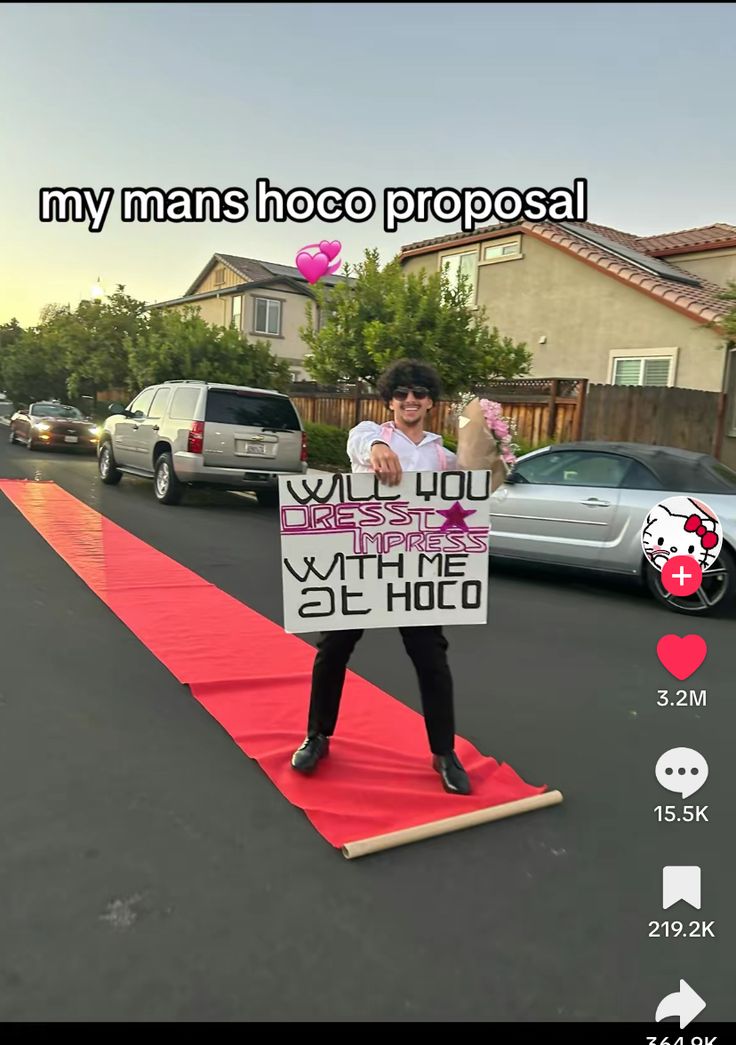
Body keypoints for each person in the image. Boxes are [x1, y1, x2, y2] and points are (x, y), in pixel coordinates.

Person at [290, 358, 472, 795]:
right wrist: (376, 448)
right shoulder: (368, 434)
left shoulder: (442, 455)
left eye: (419, 393)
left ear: (431, 401)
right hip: (362, 562)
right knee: (333, 648)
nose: (410, 400)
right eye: (401, 393)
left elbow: (464, 506)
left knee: (431, 657)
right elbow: (361, 440)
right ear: (389, 399)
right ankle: (317, 736)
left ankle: (443, 752)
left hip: (416, 568)